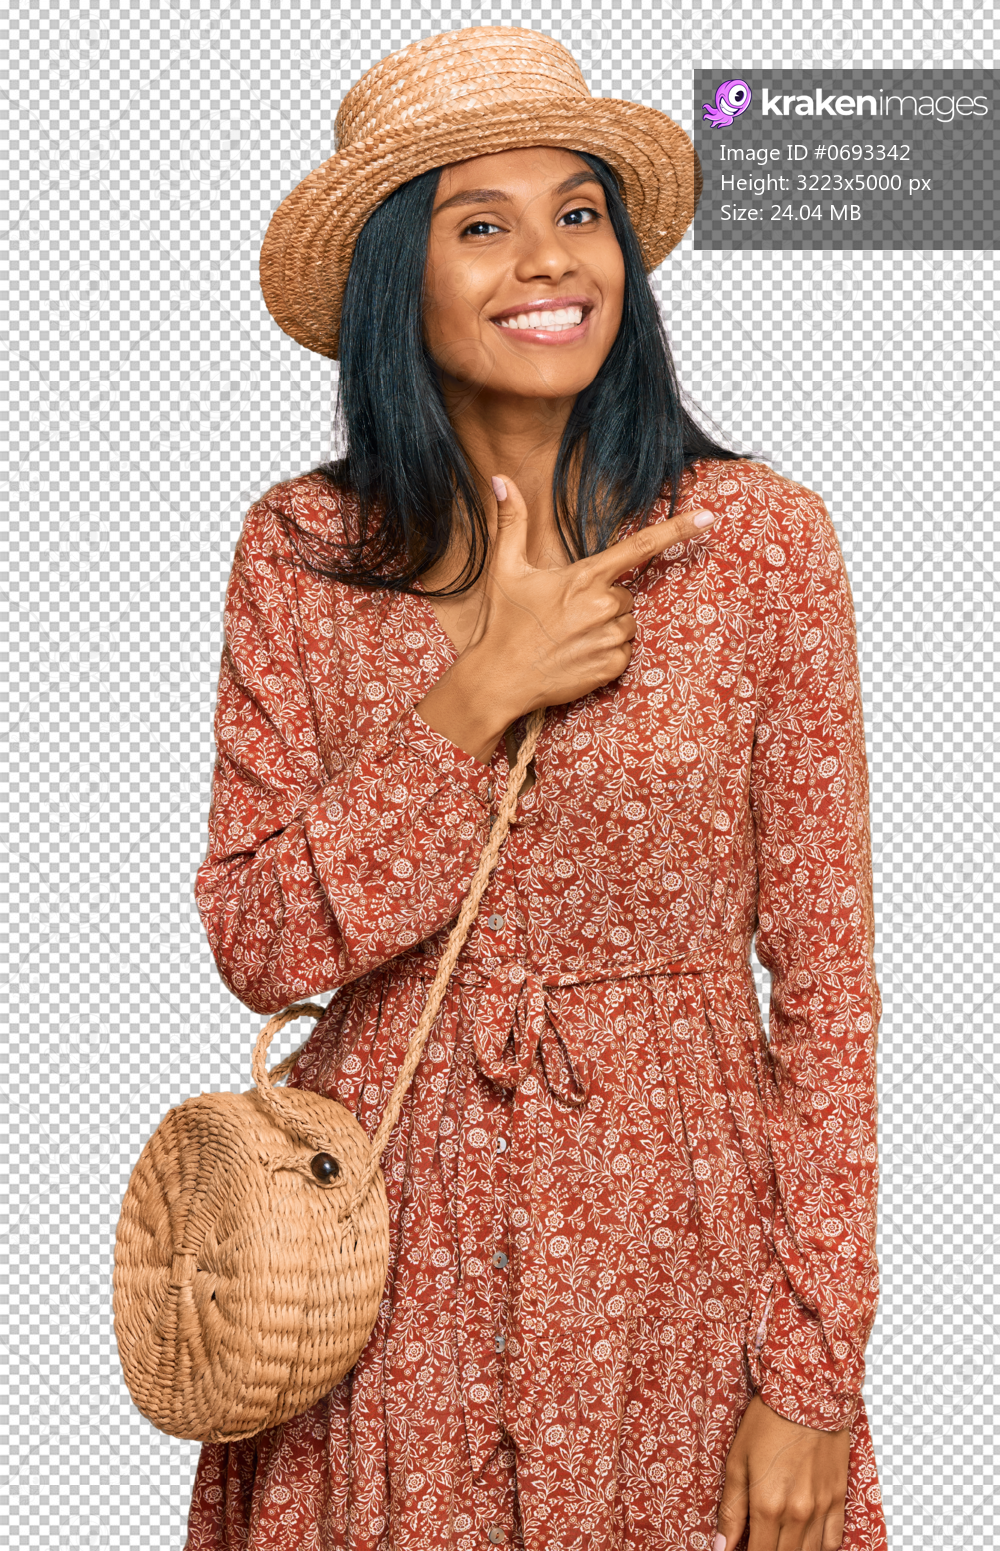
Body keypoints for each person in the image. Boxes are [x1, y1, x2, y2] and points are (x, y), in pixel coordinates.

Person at [184, 26, 886, 1551]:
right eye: (478, 225)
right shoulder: (299, 554)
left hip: (678, 1254)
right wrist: (478, 694)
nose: (544, 261)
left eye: (578, 213)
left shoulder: (757, 546)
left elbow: (829, 985)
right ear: (397, 279)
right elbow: (257, 938)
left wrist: (816, 1367)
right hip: (379, 1264)